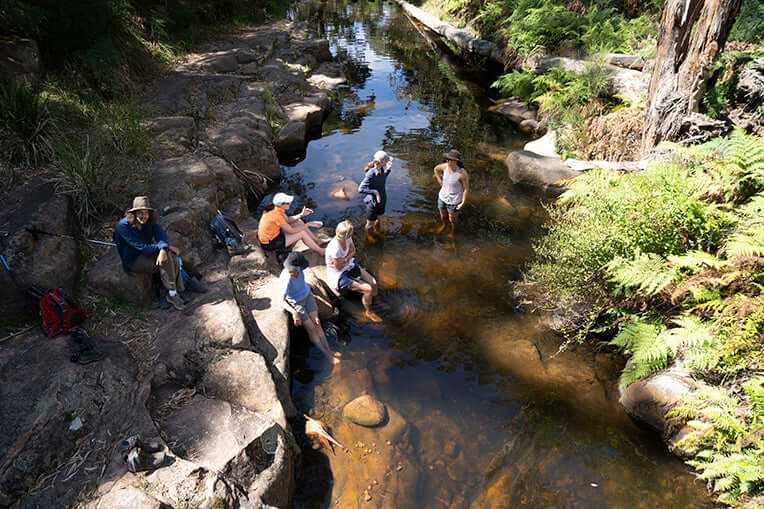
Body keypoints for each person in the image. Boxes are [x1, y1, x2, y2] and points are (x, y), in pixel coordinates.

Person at [113, 196, 186, 310]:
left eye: (146, 213)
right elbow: (143, 248)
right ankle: (173, 293)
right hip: (133, 259)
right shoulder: (123, 226)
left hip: (148, 252)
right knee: (166, 259)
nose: (143, 216)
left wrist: (163, 248)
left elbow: (160, 235)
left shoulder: (149, 221)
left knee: (169, 256)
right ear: (134, 213)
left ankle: (174, 291)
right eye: (140, 213)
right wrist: (164, 248)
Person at [279, 252, 340, 365]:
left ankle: (329, 351)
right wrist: (294, 312)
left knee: (317, 323)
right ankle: (328, 356)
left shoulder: (299, 269)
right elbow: (281, 300)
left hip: (308, 296)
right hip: (297, 303)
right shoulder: (286, 278)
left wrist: (308, 286)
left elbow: (301, 282)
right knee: (311, 328)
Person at [325, 220, 382, 323]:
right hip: (338, 275)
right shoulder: (335, 249)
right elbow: (338, 267)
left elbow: (353, 251)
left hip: (349, 265)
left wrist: (345, 259)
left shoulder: (348, 238)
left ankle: (374, 301)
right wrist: (347, 258)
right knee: (368, 289)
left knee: (373, 282)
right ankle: (368, 311)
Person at [258, 192, 326, 256]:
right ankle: (320, 251)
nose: (290, 203)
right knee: (302, 233)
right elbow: (291, 231)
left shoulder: (276, 209)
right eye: (287, 203)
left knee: (298, 221)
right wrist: (308, 224)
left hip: (276, 234)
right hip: (270, 243)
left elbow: (287, 220)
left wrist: (301, 214)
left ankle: (317, 241)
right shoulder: (276, 215)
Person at [433, 149, 470, 237]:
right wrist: (440, 181)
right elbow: (436, 169)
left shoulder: (462, 173)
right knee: (443, 216)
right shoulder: (445, 166)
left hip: (454, 200)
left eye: (450, 159)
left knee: (452, 219)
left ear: (456, 161)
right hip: (442, 197)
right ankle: (444, 225)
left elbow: (466, 189)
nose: (447, 161)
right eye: (447, 159)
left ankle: (453, 232)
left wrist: (463, 203)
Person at [358, 150, 393, 238]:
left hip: (382, 199)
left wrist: (388, 169)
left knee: (379, 218)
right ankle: (369, 237)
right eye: (387, 160)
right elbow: (360, 189)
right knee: (370, 224)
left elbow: (382, 178)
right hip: (372, 203)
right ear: (382, 162)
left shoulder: (381, 169)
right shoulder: (371, 173)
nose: (388, 162)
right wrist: (375, 192)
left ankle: (378, 230)